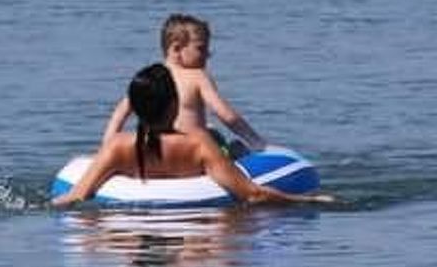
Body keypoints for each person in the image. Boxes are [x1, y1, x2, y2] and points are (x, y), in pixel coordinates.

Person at [56, 64, 330, 209]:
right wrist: (308, 201)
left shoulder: (119, 146)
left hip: (131, 236)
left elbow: (78, 195)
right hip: (196, 237)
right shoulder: (198, 143)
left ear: (136, 108)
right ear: (174, 105)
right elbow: (252, 194)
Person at [99, 13, 265, 154]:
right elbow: (227, 115)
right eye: (201, 49)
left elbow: (119, 115)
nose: (208, 55)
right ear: (176, 48)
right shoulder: (198, 76)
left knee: (211, 131)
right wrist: (256, 142)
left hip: (157, 153)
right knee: (231, 144)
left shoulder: (149, 77)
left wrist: (105, 150)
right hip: (190, 154)